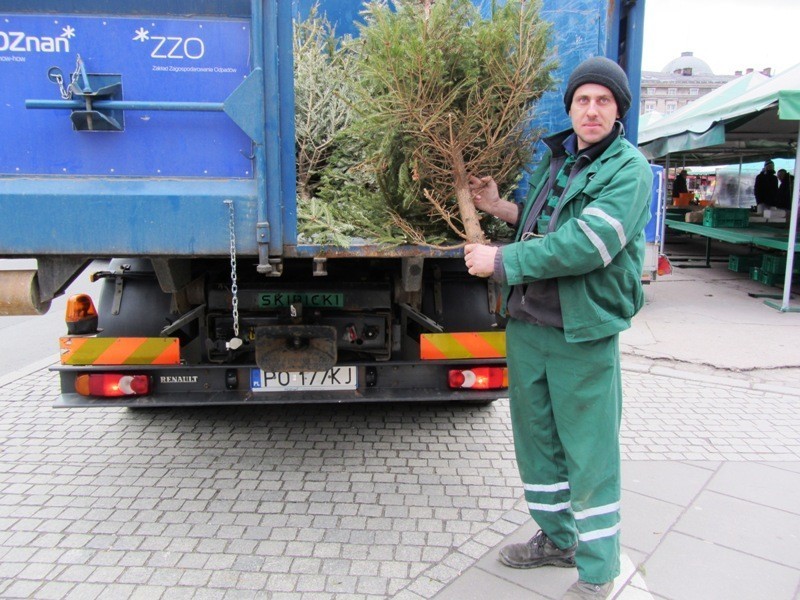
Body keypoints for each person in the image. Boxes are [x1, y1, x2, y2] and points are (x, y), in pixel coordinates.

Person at [463, 56, 652, 600]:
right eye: (582, 100)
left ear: (618, 110)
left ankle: (597, 572)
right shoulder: (559, 160)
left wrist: (501, 261)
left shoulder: (627, 169)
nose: (591, 110)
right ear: (569, 108)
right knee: (537, 442)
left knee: (589, 453)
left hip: (581, 332)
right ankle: (557, 537)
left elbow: (587, 244)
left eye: (603, 101)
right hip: (529, 324)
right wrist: (499, 206)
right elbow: (545, 222)